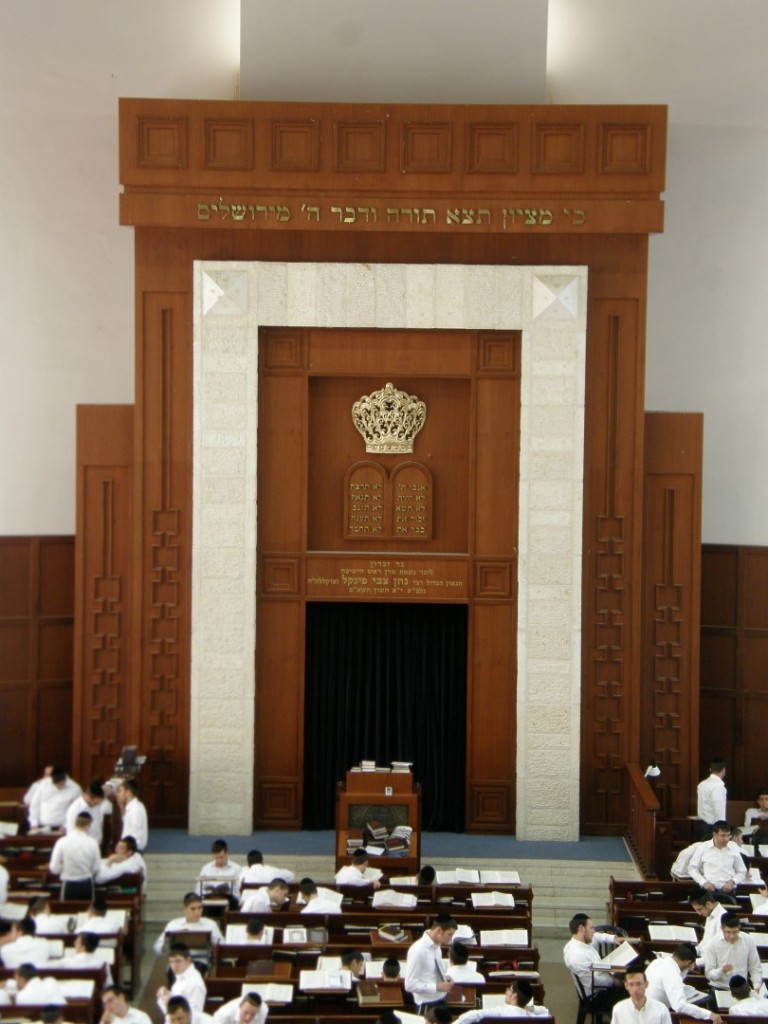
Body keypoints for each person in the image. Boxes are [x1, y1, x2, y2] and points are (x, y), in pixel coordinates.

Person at [645, 943, 721, 1022]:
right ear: (688, 963)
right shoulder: (672, 974)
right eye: (691, 965)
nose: (691, 968)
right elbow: (679, 1006)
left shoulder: (657, 962)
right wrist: (709, 1014)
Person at [562, 913, 626, 1004]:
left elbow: (596, 936)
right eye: (591, 928)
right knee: (629, 991)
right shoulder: (578, 955)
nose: (593, 931)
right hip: (595, 996)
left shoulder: (579, 941)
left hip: (601, 977)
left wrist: (613, 939)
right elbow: (592, 983)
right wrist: (615, 981)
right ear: (581, 929)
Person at [404, 914, 457, 1009]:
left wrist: (445, 977)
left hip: (441, 999)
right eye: (449, 934)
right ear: (439, 931)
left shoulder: (437, 946)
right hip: (426, 1004)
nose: (450, 939)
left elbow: (432, 971)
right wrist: (436, 987)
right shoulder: (418, 950)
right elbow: (409, 985)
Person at [703, 914, 764, 992]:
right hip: (719, 987)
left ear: (739, 928)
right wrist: (721, 971)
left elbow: (755, 967)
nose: (732, 936)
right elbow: (709, 974)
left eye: (735, 932)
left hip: (741, 987)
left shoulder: (749, 940)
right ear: (721, 928)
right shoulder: (712, 943)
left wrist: (757, 986)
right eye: (728, 932)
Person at [49, 809, 101, 900]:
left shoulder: (62, 842)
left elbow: (54, 868)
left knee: (67, 911)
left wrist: (65, 869)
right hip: (86, 884)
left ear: (75, 823)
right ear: (88, 826)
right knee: (86, 912)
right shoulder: (93, 843)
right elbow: (96, 867)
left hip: (69, 883)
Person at [153, 893, 223, 955]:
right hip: (177, 964)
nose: (197, 912)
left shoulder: (210, 924)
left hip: (201, 963)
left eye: (200, 908)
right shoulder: (173, 925)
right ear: (184, 909)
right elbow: (157, 947)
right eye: (193, 909)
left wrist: (215, 946)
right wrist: (166, 947)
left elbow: (222, 944)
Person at [688, 821, 746, 893]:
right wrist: (704, 882)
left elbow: (742, 872)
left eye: (728, 835)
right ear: (715, 834)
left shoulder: (734, 847)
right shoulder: (703, 847)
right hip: (707, 890)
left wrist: (732, 882)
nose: (726, 839)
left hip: (728, 890)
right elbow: (692, 868)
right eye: (723, 835)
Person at [454, 979, 549, 1021]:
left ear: (514, 996)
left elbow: (473, 1014)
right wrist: (530, 1008)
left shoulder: (499, 1012)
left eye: (509, 989)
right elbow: (546, 1012)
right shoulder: (531, 1018)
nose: (506, 991)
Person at [157, 944, 207, 1015]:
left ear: (188, 960)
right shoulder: (182, 974)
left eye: (178, 961)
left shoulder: (195, 983)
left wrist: (168, 1003)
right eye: (171, 962)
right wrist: (168, 993)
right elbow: (181, 996)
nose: (174, 966)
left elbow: (195, 1015)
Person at [690, 890, 727, 963]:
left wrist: (694, 963)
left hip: (711, 964)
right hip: (703, 959)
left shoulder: (723, 919)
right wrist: (687, 953)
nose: (699, 913)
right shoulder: (710, 915)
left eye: (699, 909)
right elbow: (704, 943)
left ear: (708, 904)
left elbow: (717, 955)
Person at [697, 759, 727, 836]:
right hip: (713, 826)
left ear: (710, 770)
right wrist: (722, 829)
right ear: (723, 770)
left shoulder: (702, 784)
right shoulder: (717, 786)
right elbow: (718, 808)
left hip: (702, 823)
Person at [117, 780, 148, 851]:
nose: (118, 794)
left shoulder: (135, 810)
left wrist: (124, 851)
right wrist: (121, 807)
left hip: (131, 850)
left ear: (128, 793)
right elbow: (127, 823)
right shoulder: (132, 806)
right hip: (129, 848)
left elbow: (134, 835)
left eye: (120, 791)